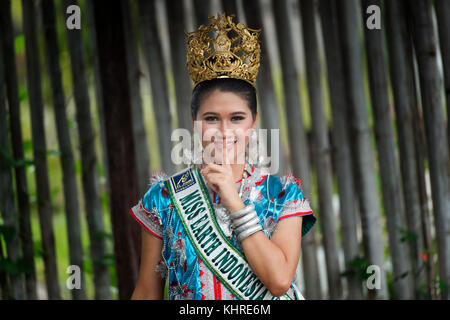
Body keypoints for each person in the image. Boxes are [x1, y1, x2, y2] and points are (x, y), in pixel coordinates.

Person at [130, 13, 316, 300]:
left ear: (254, 121)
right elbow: (147, 290)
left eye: (237, 118)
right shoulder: (164, 199)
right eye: (212, 118)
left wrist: (233, 199)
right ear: (194, 121)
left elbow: (279, 281)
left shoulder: (283, 195)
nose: (224, 130)